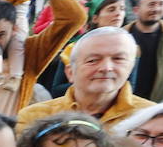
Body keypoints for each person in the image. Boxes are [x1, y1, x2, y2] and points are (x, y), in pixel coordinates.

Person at [17, 28, 153, 131]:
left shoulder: (150, 117)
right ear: (70, 72)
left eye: (118, 59)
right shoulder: (34, 118)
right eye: (93, 60)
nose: (106, 67)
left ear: (131, 67)